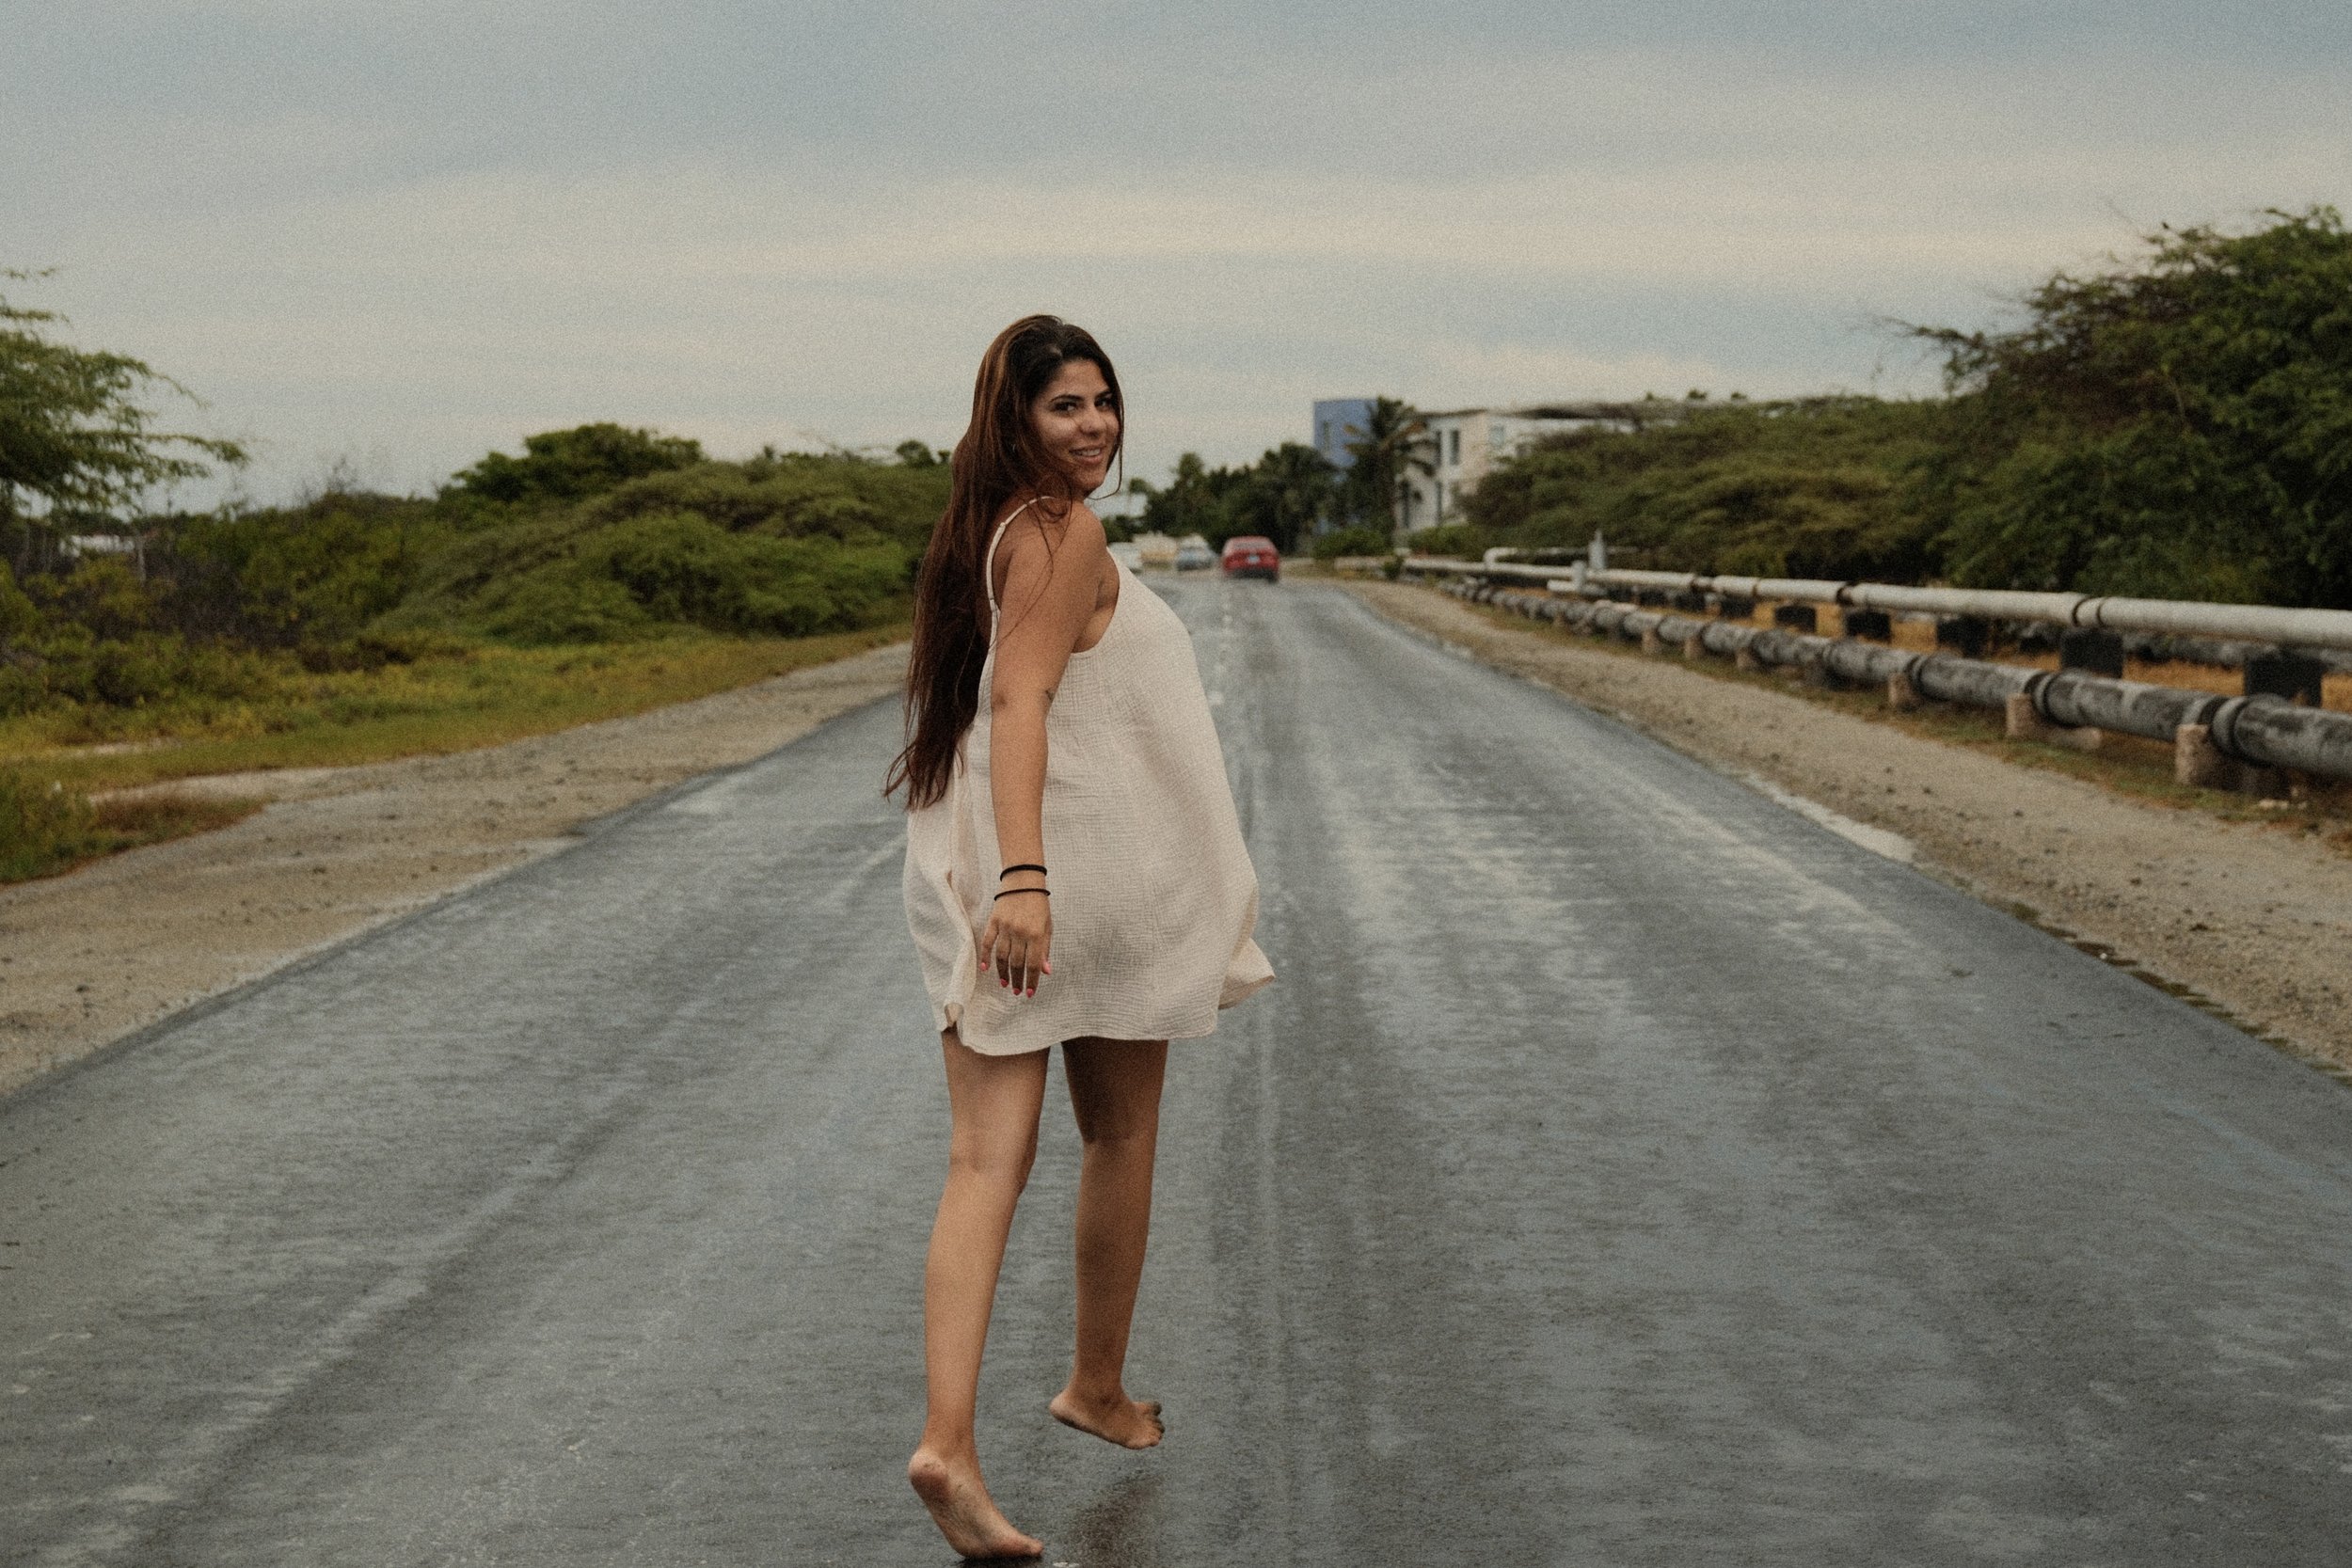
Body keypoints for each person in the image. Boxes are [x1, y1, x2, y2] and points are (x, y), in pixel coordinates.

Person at [891, 316, 1273, 1559]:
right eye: (1066, 407)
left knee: (988, 1162)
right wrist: (1030, 883)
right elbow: (1020, 707)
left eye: (1106, 401)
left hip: (1003, 879)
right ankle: (1029, 1413)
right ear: (1016, 420)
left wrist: (1008, 879)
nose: (1095, 424)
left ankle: (1050, 1406)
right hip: (1063, 895)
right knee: (1107, 1137)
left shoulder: (991, 532)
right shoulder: (1060, 532)